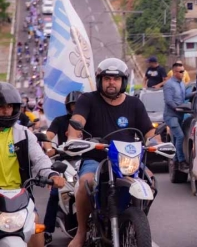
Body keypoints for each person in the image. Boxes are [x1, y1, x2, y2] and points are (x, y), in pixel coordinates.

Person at [66, 58, 161, 247]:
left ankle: (138, 225)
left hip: (127, 159)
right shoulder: (88, 99)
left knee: (150, 182)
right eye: (107, 78)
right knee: (86, 183)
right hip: (97, 156)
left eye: (116, 79)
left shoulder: (134, 104)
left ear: (123, 81)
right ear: (100, 80)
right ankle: (81, 232)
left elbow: (149, 131)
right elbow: (77, 122)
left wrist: (156, 143)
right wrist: (73, 138)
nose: (111, 82)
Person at [0, 82, 66, 247]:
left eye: (9, 106)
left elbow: (39, 159)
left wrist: (51, 174)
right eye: (1, 107)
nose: (6, 111)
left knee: (36, 225)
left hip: (19, 197)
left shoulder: (23, 134)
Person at [42, 90, 82, 245]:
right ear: (68, 106)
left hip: (86, 160)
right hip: (65, 162)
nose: (76, 108)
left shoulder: (91, 121)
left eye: (79, 105)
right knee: (54, 193)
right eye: (73, 105)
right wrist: (49, 149)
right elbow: (48, 136)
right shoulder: (60, 121)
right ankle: (47, 230)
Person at [163, 62, 193, 171]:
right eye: (180, 72)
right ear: (175, 72)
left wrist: (196, 93)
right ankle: (181, 161)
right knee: (180, 136)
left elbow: (184, 96)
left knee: (176, 139)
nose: (183, 73)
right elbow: (168, 101)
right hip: (171, 116)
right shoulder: (169, 84)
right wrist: (177, 108)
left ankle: (174, 161)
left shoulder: (181, 83)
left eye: (183, 71)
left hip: (180, 115)